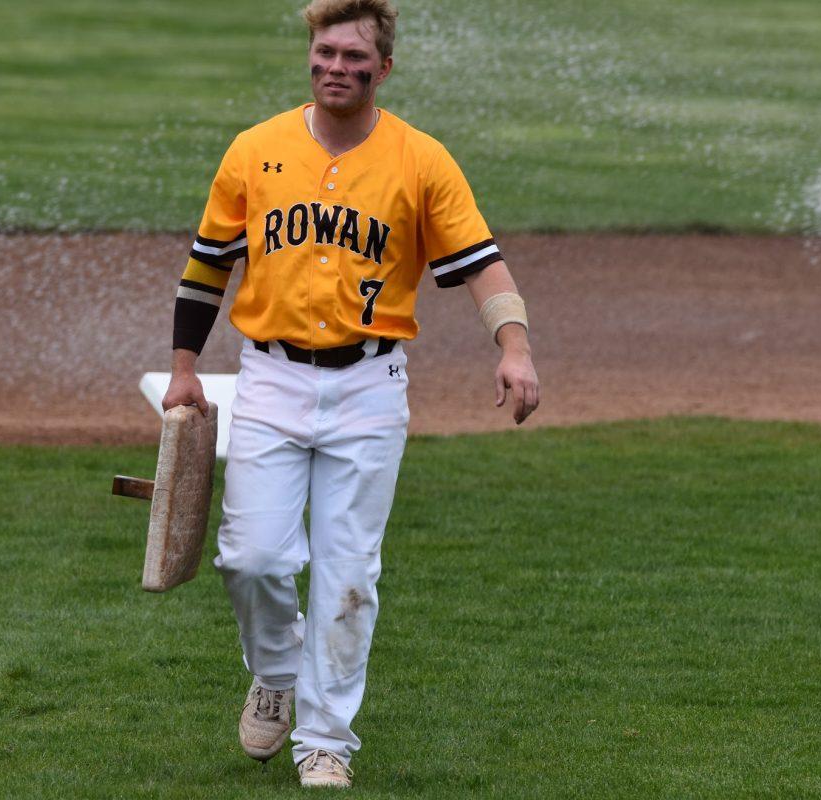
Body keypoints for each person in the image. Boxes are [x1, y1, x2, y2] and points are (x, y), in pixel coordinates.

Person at [161, 0, 539, 788]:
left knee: (349, 572)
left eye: (355, 59)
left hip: (371, 386)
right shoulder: (255, 150)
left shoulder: (420, 160)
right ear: (310, 54)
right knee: (252, 557)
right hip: (268, 377)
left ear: (384, 69)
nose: (337, 67)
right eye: (325, 52)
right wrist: (186, 367)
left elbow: (480, 263)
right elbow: (208, 266)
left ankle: (325, 739)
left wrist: (515, 346)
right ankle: (275, 670)